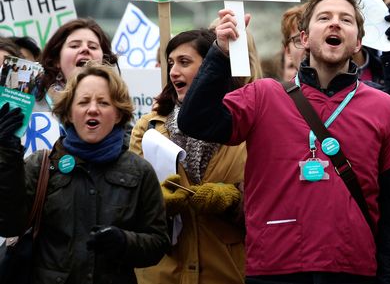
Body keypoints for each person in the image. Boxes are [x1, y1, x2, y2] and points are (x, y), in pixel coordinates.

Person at [178, 0, 390, 284]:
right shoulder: (263, 95)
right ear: (304, 38)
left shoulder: (385, 108)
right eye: (324, 17)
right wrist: (219, 54)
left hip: (353, 269)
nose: (335, 23)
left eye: (346, 19)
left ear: (358, 43)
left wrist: (389, 278)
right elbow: (195, 121)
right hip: (275, 267)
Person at [0, 63, 169, 283]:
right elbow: (9, 225)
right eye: (83, 102)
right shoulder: (41, 165)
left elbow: (158, 243)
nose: (92, 109)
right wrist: (6, 153)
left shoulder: (140, 171)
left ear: (118, 114)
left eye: (103, 102)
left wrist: (124, 242)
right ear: (69, 113)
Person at [130, 29, 247, 284]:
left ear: (211, 68)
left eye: (184, 62)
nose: (173, 71)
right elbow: (129, 203)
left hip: (226, 271)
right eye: (170, 63)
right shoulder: (149, 128)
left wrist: (233, 200)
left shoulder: (245, 126)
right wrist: (156, 201)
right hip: (164, 273)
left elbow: (267, 202)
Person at [36, 18, 118, 111]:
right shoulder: (32, 104)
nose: (85, 49)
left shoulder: (117, 103)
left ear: (104, 60)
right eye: (74, 46)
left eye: (93, 47)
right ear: (56, 60)